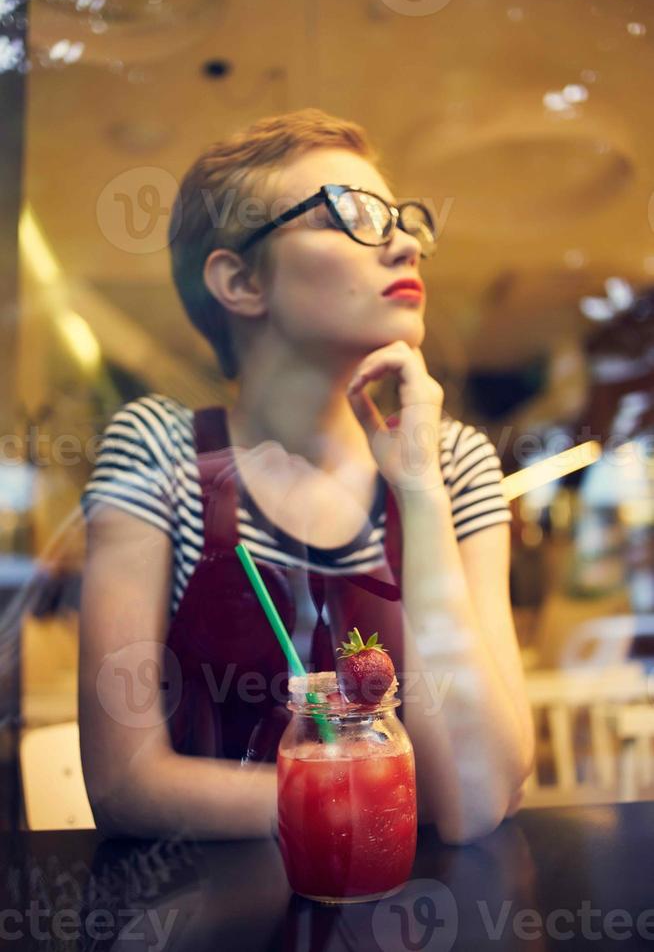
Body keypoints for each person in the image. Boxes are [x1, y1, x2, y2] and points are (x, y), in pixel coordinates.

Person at [79, 109, 534, 845]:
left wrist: (418, 494)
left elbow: (479, 798)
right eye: (351, 216)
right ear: (239, 282)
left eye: (403, 219)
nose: (407, 242)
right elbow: (127, 782)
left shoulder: (454, 463)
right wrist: (374, 800)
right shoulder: (161, 452)